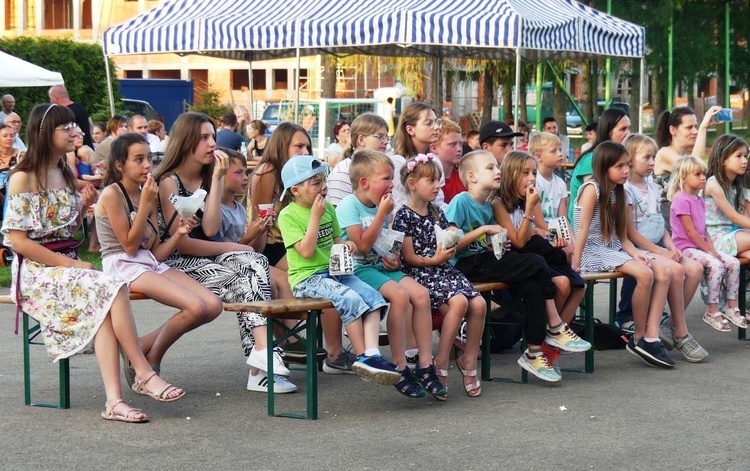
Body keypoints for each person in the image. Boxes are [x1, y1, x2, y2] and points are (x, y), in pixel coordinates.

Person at [3, 103, 184, 423]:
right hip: (34, 271)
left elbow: (65, 231)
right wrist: (70, 265)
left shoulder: (62, 171)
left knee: (106, 296)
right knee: (111, 287)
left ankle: (114, 402)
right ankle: (142, 371)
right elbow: (19, 242)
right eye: (67, 128)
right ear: (45, 132)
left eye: (75, 126)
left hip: (66, 265)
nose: (76, 132)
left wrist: (80, 208)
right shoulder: (23, 178)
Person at [153, 112, 293, 392]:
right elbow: (184, 244)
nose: (211, 144)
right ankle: (259, 364)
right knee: (251, 264)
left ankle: (260, 362)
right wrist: (235, 246)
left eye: (212, 137)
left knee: (251, 269)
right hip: (176, 263)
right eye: (203, 138)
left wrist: (216, 181)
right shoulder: (170, 181)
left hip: (210, 260)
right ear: (186, 141)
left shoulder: (209, 179)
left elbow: (211, 228)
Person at [445, 150, 590, 383]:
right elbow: (450, 243)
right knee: (535, 262)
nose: (497, 171)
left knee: (533, 284)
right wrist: (484, 231)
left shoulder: (487, 205)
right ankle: (554, 326)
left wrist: (495, 242)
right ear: (472, 176)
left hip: (486, 258)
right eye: (491, 168)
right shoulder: (462, 201)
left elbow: (507, 240)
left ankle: (534, 351)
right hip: (465, 264)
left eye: (497, 167)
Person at [95, 132, 223, 383]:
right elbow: (130, 246)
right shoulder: (113, 194)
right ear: (120, 165)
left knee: (213, 306)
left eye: (149, 159)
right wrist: (144, 204)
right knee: (195, 307)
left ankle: (142, 346)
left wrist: (178, 234)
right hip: (121, 264)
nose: (146, 165)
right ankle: (151, 359)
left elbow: (153, 252)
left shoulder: (147, 193)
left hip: (147, 262)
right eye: (138, 160)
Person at [277, 154, 400, 386]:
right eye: (315, 183)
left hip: (334, 271)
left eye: (323, 181)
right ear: (295, 190)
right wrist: (314, 217)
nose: (323, 187)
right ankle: (363, 357)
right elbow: (305, 251)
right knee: (351, 298)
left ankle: (372, 354)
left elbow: (336, 241)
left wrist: (347, 245)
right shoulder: (288, 215)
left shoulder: (328, 210)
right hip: (308, 278)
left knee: (375, 298)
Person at [336, 150, 446, 399]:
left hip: (378, 267)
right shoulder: (348, 206)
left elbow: (380, 245)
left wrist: (392, 257)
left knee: (420, 294)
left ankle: (425, 365)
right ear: (365, 182)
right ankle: (399, 366)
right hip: (356, 270)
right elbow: (362, 246)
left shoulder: (380, 205)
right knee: (399, 295)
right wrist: (383, 214)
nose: (391, 184)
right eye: (386, 179)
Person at [572, 141, 674, 368]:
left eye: (627, 165)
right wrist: (576, 263)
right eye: (619, 166)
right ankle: (639, 337)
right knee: (645, 275)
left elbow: (623, 237)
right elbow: (582, 229)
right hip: (592, 251)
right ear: (604, 166)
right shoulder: (592, 189)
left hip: (611, 248)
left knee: (653, 269)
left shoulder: (617, 192)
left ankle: (647, 336)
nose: (626, 171)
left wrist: (636, 253)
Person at [393, 155, 485, 398]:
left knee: (479, 303)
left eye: (438, 180)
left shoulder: (435, 211)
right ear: (412, 184)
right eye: (431, 181)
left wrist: (452, 237)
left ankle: (469, 360)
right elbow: (409, 258)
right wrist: (435, 259)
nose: (438, 186)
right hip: (420, 273)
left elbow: (446, 236)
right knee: (460, 301)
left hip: (442, 270)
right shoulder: (403, 216)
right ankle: (441, 361)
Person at [493, 151, 587, 374]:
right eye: (525, 173)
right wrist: (529, 217)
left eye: (533, 172)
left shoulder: (530, 197)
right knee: (562, 283)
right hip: (518, 259)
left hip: (534, 254)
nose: (531, 178)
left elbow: (540, 228)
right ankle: (552, 335)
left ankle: (554, 337)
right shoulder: (499, 203)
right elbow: (518, 240)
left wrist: (552, 236)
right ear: (509, 174)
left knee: (579, 284)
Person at [622, 135, 706, 361]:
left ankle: (668, 325)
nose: (652, 162)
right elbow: (631, 233)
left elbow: (660, 223)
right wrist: (661, 252)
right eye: (646, 157)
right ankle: (681, 332)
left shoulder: (652, 186)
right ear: (629, 160)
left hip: (658, 244)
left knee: (695, 269)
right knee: (676, 270)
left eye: (653, 157)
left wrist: (671, 247)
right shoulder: (627, 190)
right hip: (640, 247)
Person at [668, 155, 743, 332]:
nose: (703, 178)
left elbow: (704, 229)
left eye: (704, 174)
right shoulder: (681, 200)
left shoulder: (699, 199)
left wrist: (712, 249)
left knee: (733, 262)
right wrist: (710, 251)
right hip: (686, 248)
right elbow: (691, 232)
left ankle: (732, 306)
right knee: (716, 265)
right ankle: (712, 309)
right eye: (698, 174)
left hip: (700, 246)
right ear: (683, 177)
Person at [654, 106, 721, 230]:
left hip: (684, 218)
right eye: (689, 127)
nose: (694, 131)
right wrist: (703, 128)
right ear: (672, 130)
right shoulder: (664, 153)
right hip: (668, 223)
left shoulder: (682, 157)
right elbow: (695, 167)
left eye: (696, 126)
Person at [569, 108, 631, 222]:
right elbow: (594, 201)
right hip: (586, 230)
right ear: (608, 132)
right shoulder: (591, 159)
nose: (628, 133)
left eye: (629, 128)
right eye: (623, 129)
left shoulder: (619, 158)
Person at [390, 102, 445, 215]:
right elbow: (399, 205)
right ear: (410, 130)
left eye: (436, 122)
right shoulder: (398, 163)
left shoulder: (434, 161)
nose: (436, 127)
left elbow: (438, 202)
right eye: (429, 123)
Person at [703, 134, 750, 261]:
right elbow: (734, 217)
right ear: (724, 160)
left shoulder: (737, 185)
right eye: (739, 156)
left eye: (745, 156)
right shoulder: (713, 184)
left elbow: (746, 214)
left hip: (735, 233)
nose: (744, 161)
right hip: (716, 237)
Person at [326, 113, 389, 207]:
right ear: (361, 140)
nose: (386, 141)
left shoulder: (381, 169)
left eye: (386, 137)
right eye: (380, 137)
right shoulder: (343, 171)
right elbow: (338, 214)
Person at [430, 119, 465, 204]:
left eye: (460, 144)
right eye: (453, 144)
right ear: (434, 148)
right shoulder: (428, 180)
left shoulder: (463, 178)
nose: (459, 149)